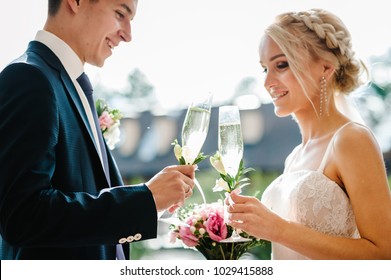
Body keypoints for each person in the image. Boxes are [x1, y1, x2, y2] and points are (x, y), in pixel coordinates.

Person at [0, 0, 196, 260]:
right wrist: (144, 200)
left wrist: (153, 201)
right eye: (119, 14)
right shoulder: (28, 78)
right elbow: (22, 216)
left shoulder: (72, 86)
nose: (128, 34)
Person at [227, 9, 391, 259]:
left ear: (325, 68)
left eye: (281, 65)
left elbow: (383, 253)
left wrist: (278, 229)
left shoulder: (351, 139)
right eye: (264, 69)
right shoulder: (294, 156)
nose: (267, 82)